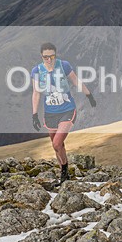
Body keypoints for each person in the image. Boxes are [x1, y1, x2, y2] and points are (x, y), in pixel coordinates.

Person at [31, 42, 96, 185]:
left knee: (57, 142)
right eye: (45, 57)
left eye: (52, 56)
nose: (49, 60)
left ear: (56, 55)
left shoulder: (64, 66)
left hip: (67, 110)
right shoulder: (37, 71)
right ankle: (64, 177)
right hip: (50, 113)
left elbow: (76, 81)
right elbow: (36, 93)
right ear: (41, 57)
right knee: (57, 146)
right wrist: (34, 114)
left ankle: (65, 168)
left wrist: (89, 95)